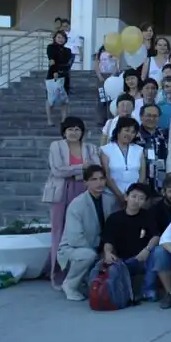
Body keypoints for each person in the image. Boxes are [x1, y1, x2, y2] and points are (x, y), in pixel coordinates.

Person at [45, 117, 100, 290]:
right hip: (62, 192)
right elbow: (57, 170)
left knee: (84, 228)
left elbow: (96, 168)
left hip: (84, 189)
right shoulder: (56, 146)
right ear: (64, 132)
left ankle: (81, 273)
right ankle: (57, 273)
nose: (74, 132)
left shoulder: (90, 148)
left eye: (77, 129)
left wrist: (75, 171)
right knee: (59, 231)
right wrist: (82, 168)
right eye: (70, 129)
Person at [56, 165, 118, 301]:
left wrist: (108, 249)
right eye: (94, 179)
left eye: (101, 178)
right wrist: (99, 253)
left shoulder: (109, 199)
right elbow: (75, 238)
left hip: (101, 246)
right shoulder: (77, 204)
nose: (99, 183)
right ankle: (69, 285)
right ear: (86, 183)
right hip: (74, 248)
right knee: (88, 255)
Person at [101, 183, 160, 301]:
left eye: (141, 198)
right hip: (121, 261)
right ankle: (121, 294)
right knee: (111, 267)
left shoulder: (147, 216)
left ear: (145, 202)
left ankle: (148, 290)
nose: (136, 201)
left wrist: (147, 250)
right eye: (133, 196)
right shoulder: (114, 218)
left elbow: (156, 236)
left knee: (156, 253)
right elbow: (108, 240)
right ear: (126, 197)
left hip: (141, 258)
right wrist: (108, 253)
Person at [100, 117, 146, 203]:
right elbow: (107, 176)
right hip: (111, 195)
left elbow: (142, 175)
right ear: (118, 130)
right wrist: (120, 196)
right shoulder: (106, 150)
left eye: (133, 132)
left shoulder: (139, 150)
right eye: (127, 130)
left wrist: (134, 195)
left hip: (134, 197)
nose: (129, 134)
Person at [45, 30, 72, 126]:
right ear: (55, 38)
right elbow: (51, 61)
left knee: (64, 98)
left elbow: (68, 63)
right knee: (50, 98)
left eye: (63, 37)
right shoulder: (51, 47)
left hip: (65, 75)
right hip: (53, 74)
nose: (61, 39)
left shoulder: (68, 50)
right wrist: (55, 72)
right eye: (59, 37)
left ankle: (64, 119)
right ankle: (49, 120)